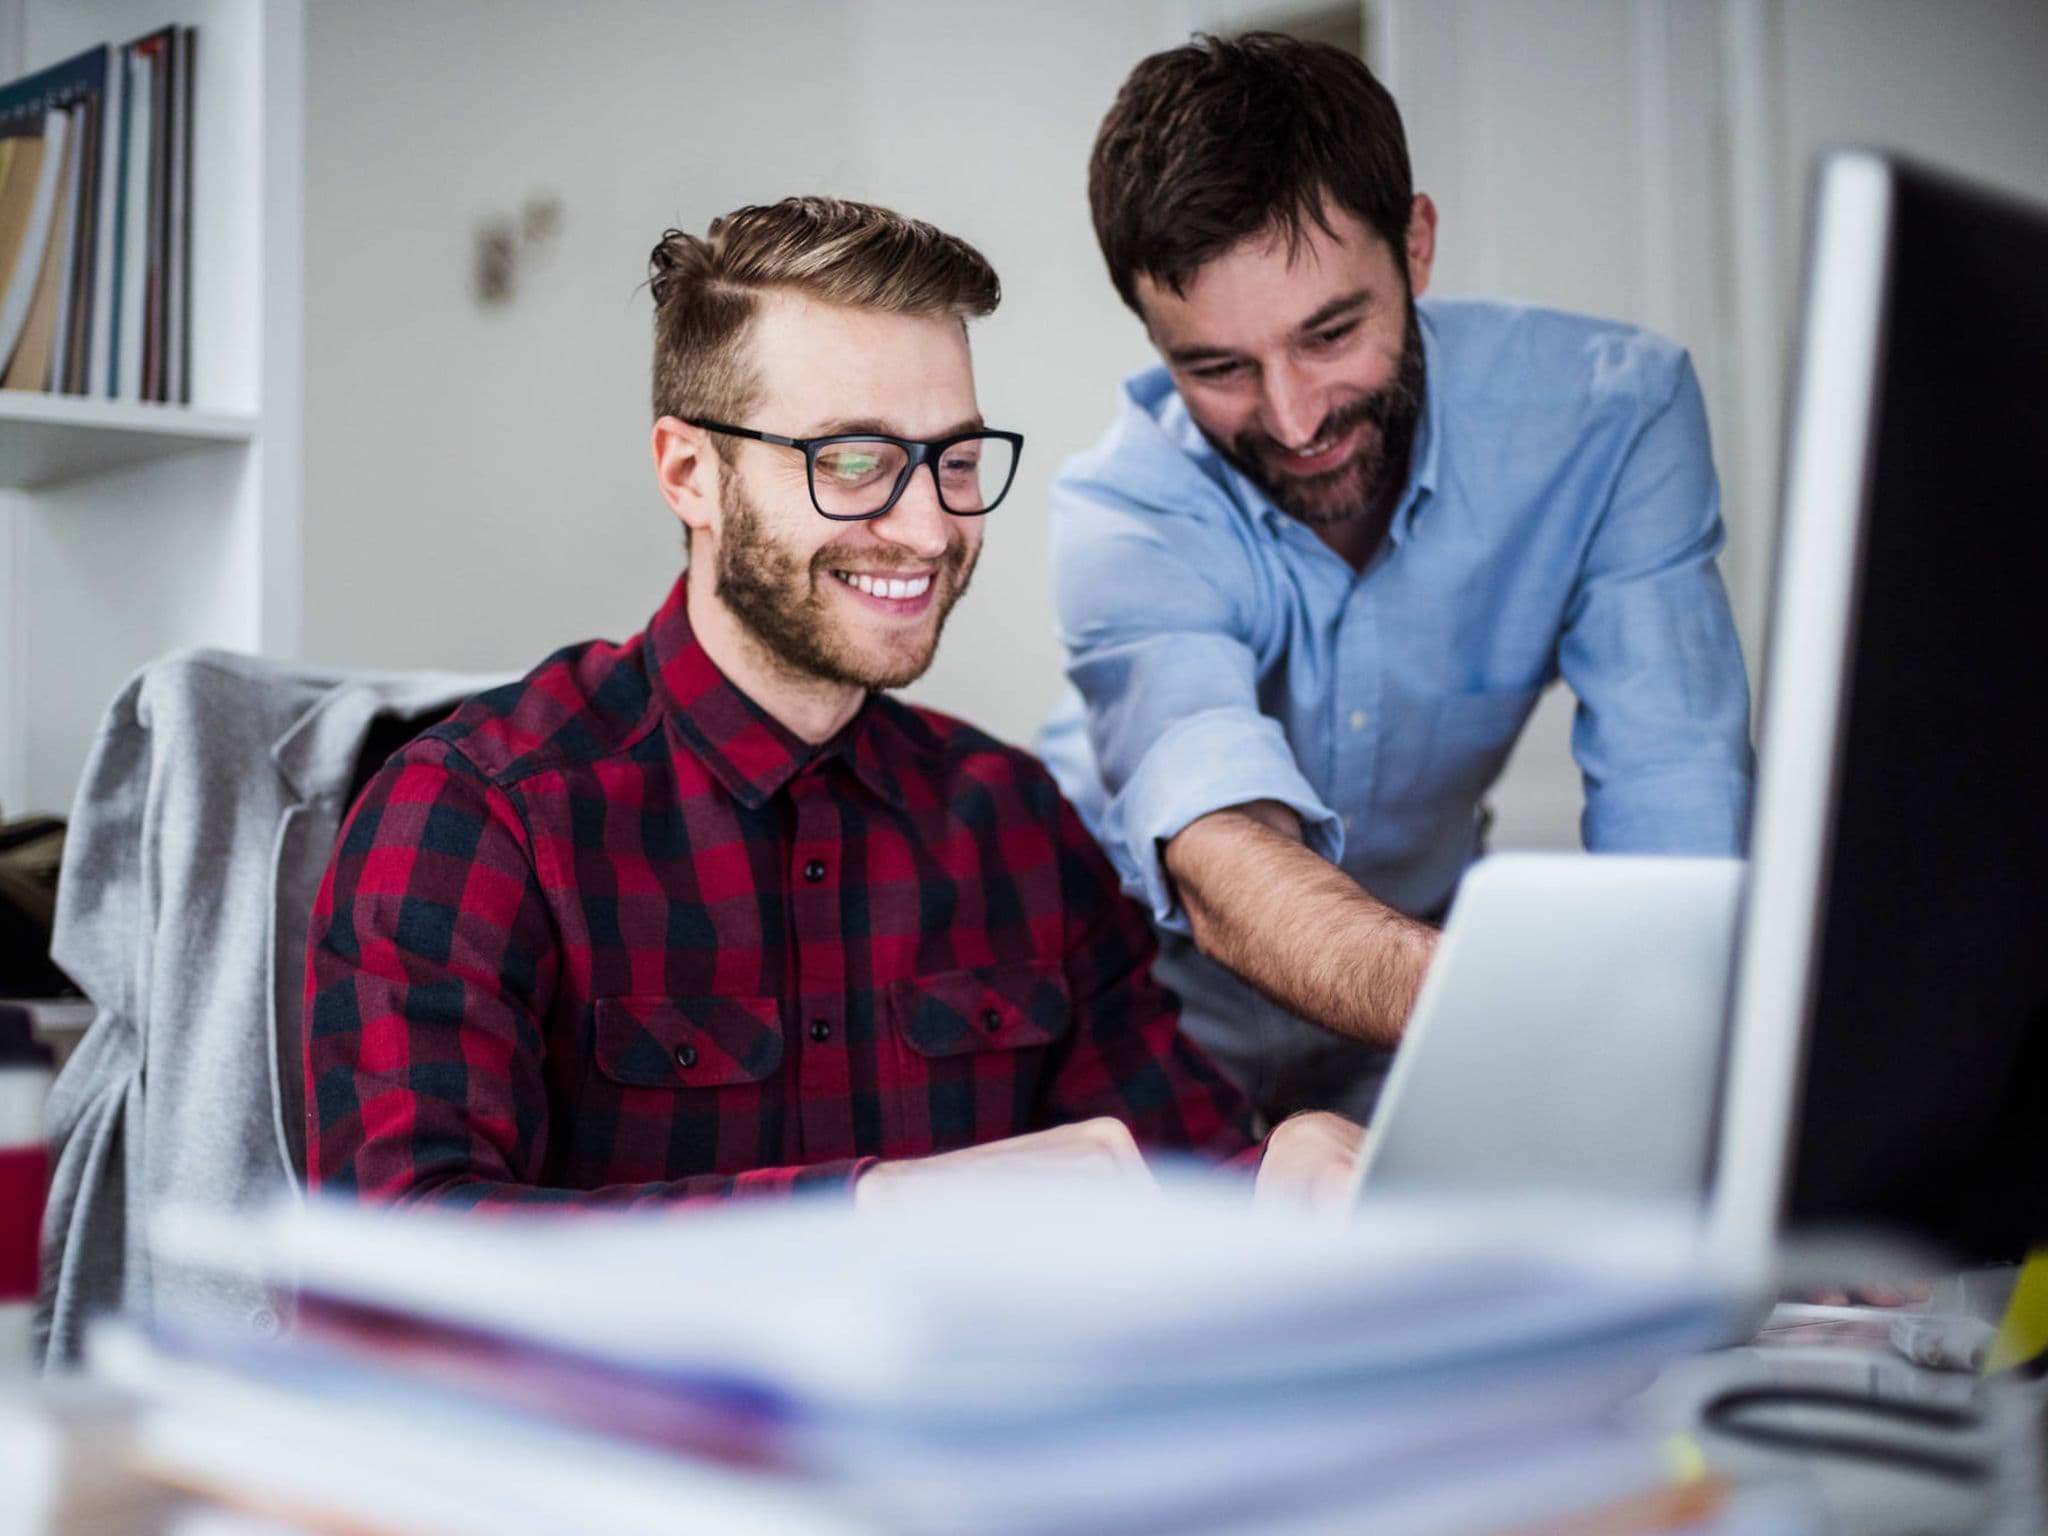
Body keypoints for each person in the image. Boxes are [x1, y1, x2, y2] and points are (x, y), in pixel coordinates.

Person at [304, 196, 1361, 1209]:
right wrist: (868, 1210)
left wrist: (1280, 1170)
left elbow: (1180, 1187)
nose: (929, 529)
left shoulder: (1016, 825)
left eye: (955, 460)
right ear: (689, 473)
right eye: (853, 461)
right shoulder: (476, 816)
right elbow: (395, 1260)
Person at [1036, 34, 1754, 1126]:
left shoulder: (1612, 422)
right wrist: (1529, 1013)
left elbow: (1677, 815)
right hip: (1139, 1002)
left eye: (1330, 333)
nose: (1293, 421)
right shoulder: (1124, 507)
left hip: (1415, 990)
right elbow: (1226, 854)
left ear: (1415, 246)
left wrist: (1691, 1073)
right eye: (1217, 367)